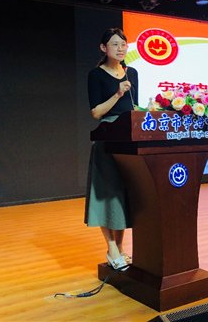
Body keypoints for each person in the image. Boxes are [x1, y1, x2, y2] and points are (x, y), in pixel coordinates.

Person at [85, 27, 138, 271]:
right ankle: (111, 248)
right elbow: (96, 112)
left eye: (123, 44)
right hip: (107, 139)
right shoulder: (96, 75)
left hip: (129, 139)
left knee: (123, 195)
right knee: (107, 196)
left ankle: (121, 248)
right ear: (103, 48)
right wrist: (117, 94)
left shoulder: (132, 73)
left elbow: (134, 108)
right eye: (115, 44)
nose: (120, 48)